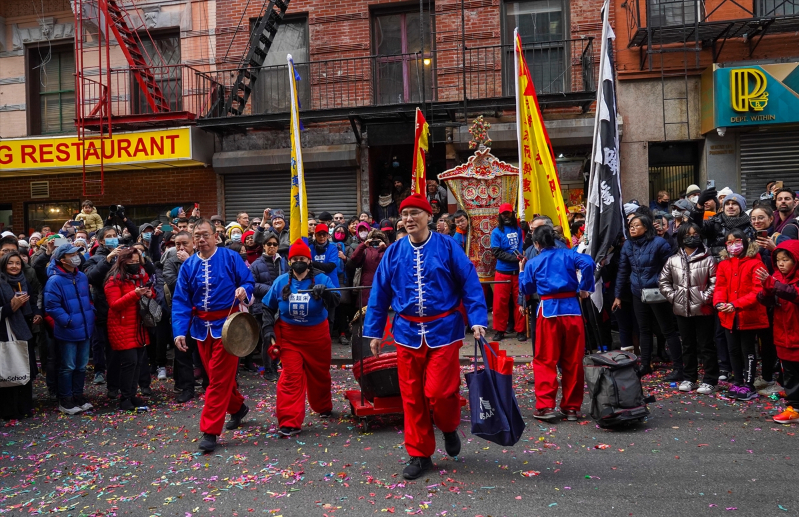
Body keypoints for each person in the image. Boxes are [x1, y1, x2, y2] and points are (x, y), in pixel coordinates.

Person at [363, 193, 488, 480]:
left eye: (414, 213)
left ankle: (447, 426)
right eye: (404, 214)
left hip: (444, 331)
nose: (408, 219)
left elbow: (469, 282)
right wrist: (374, 331)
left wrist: (477, 319)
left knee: (440, 392)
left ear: (429, 216)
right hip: (406, 333)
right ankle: (420, 454)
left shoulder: (447, 247)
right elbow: (380, 293)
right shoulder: (393, 252)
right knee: (412, 396)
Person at [172, 219, 255, 452]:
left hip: (230, 329)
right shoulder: (188, 266)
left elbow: (248, 281)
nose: (201, 239)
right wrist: (179, 331)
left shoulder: (230, 257)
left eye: (205, 235)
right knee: (217, 376)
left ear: (215, 236)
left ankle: (210, 431)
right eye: (197, 235)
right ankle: (238, 408)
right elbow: (181, 301)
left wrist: (243, 290)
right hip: (201, 330)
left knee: (216, 380)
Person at [261, 239, 340, 437]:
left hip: (317, 337)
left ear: (309, 260)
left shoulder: (322, 279)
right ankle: (289, 421)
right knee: (290, 377)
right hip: (290, 338)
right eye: (295, 258)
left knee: (320, 375)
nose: (298, 261)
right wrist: (268, 329)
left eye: (302, 258)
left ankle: (322, 406)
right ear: (290, 261)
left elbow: (336, 301)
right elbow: (267, 307)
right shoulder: (280, 282)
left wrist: (326, 295)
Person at [520, 225, 594, 420]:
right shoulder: (568, 255)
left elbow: (526, 288)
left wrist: (521, 271)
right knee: (573, 360)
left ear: (536, 244)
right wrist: (584, 287)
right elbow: (588, 262)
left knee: (545, 359)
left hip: (549, 311)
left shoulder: (533, 262)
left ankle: (546, 407)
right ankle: (571, 408)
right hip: (572, 310)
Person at [613, 214, 683, 379]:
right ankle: (645, 364)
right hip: (637, 292)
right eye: (630, 226)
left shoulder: (659, 243)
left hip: (658, 292)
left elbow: (670, 268)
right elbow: (623, 271)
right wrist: (618, 295)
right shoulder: (628, 245)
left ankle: (679, 368)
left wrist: (663, 286)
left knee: (667, 330)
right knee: (643, 329)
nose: (632, 228)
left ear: (646, 227)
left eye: (636, 225)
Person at [659, 223, 719, 395]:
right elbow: (663, 282)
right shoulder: (673, 260)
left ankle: (710, 379)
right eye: (688, 235)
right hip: (681, 309)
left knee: (706, 345)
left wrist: (703, 298)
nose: (692, 237)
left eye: (695, 234)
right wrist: (674, 297)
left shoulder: (709, 259)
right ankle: (689, 377)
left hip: (703, 309)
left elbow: (715, 283)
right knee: (687, 344)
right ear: (681, 238)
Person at [714, 230, 769, 401]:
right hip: (729, 316)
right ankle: (738, 381)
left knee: (748, 351)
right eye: (729, 242)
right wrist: (719, 303)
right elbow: (720, 287)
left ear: (745, 242)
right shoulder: (724, 264)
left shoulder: (756, 264)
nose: (733, 245)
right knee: (733, 350)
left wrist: (735, 305)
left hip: (748, 316)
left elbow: (758, 291)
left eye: (737, 241)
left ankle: (749, 384)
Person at [44, 243, 96, 415]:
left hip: (85, 328)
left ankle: (78, 395)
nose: (76, 257)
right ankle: (65, 399)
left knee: (81, 366)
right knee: (68, 366)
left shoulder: (81, 276)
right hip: (68, 330)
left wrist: (90, 314)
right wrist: (68, 321)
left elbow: (87, 299)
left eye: (77, 253)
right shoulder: (55, 280)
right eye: (71, 254)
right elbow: (51, 306)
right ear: (61, 259)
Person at [104, 248, 153, 411]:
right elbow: (115, 305)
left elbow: (151, 295)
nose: (134, 264)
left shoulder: (141, 275)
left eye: (136, 261)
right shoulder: (114, 279)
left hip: (138, 325)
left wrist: (148, 293)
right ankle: (125, 398)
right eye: (130, 262)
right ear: (122, 262)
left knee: (138, 362)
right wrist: (135, 294)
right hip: (122, 326)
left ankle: (132, 395)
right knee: (129, 363)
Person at [756, 241, 799, 423]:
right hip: (783, 334)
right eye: (778, 260)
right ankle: (795, 407)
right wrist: (767, 289)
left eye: (786, 259)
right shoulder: (776, 278)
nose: (781, 264)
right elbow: (765, 300)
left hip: (796, 332)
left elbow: (794, 294)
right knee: (790, 373)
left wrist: (774, 284)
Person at [163, 231, 206, 403]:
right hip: (183, 314)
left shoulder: (202, 260)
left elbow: (204, 285)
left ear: (193, 244)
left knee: (204, 352)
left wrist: (189, 262)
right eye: (177, 244)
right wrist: (186, 263)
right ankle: (187, 387)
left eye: (185, 244)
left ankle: (209, 385)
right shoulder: (170, 263)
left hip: (202, 314)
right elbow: (175, 285)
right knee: (183, 353)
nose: (181, 247)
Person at [82, 227, 124, 395]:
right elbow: (91, 277)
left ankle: (122, 384)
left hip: (124, 309)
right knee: (105, 347)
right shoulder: (94, 259)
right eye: (108, 237)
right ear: (101, 241)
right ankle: (110, 384)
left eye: (115, 236)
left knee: (120, 351)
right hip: (103, 310)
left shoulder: (124, 256)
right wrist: (108, 260)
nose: (113, 239)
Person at [0, 252, 38, 420]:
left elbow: (31, 302)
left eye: (17, 263)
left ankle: (24, 407)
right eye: (10, 263)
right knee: (8, 369)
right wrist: (11, 307)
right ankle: (8, 410)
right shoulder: (1, 283)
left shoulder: (24, 281)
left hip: (24, 330)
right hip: (5, 331)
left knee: (23, 368)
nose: (14, 266)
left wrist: (36, 313)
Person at [251, 232, 288, 382]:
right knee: (267, 337)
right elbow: (252, 285)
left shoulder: (283, 262)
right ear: (264, 246)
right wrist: (273, 290)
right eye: (269, 244)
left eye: (275, 244)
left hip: (281, 307)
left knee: (281, 337)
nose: (272, 247)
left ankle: (279, 364)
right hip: (263, 306)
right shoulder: (256, 264)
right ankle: (269, 368)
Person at [490, 203, 525, 341]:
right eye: (503, 214)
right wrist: (516, 259)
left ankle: (521, 330)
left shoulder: (519, 229)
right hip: (502, 272)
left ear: (512, 213)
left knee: (520, 302)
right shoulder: (496, 232)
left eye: (508, 213)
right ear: (500, 215)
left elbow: (524, 245)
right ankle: (499, 330)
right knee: (499, 303)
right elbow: (497, 252)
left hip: (519, 272)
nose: (506, 216)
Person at [693, 191, 754, 258]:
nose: (730, 207)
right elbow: (696, 227)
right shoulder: (714, 222)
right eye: (727, 204)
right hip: (718, 264)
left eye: (734, 204)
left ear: (741, 207)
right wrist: (698, 207)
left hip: (743, 265)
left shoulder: (750, 224)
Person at [347, 229, 388, 304]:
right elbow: (354, 258)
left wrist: (385, 248)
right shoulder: (365, 250)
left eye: (378, 240)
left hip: (383, 283)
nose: (375, 243)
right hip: (365, 284)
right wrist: (363, 245)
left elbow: (393, 260)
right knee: (364, 310)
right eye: (373, 240)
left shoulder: (387, 250)